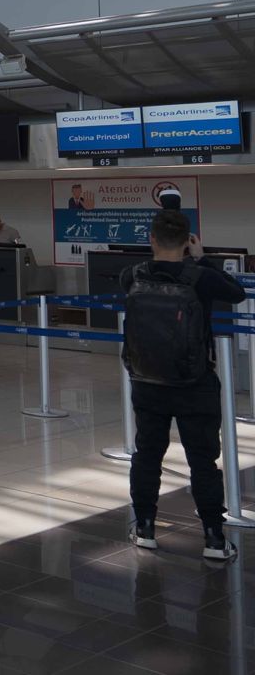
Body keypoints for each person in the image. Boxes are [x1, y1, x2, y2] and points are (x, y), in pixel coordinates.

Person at [120, 209, 245, 559]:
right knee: (203, 461)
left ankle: (145, 527)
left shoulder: (132, 275)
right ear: (187, 242)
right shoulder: (201, 277)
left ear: (152, 239)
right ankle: (214, 538)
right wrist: (203, 259)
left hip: (147, 380)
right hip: (195, 383)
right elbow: (236, 292)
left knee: (147, 455)